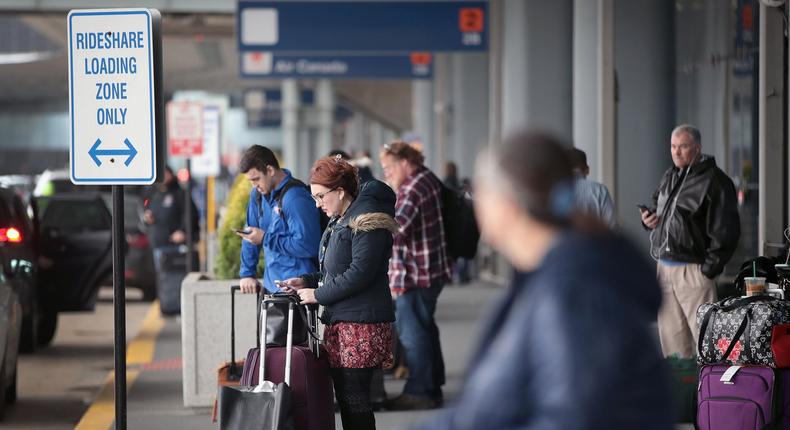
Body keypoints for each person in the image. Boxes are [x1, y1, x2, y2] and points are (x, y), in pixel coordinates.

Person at [408, 131, 672, 430]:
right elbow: (482, 414)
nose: (474, 204)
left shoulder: (573, 293)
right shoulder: (546, 280)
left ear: (507, 204)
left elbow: (574, 419)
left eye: (479, 193)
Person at [279, 155, 398, 430]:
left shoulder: (367, 221)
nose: (318, 204)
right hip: (344, 323)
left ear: (340, 191)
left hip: (361, 326)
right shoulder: (341, 218)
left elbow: (360, 274)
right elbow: (335, 269)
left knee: (355, 403)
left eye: (321, 196)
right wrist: (306, 280)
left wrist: (317, 295)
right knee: (348, 402)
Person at [641, 124, 740, 358]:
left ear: (697, 148)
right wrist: (649, 220)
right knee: (672, 345)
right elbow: (659, 206)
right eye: (673, 147)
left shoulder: (715, 181)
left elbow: (727, 230)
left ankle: (709, 393)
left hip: (694, 271)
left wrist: (709, 269)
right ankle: (682, 394)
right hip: (664, 268)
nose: (676, 152)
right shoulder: (671, 175)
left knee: (705, 343)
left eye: (683, 146)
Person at [379, 141, 453, 410]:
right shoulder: (427, 178)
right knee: (425, 330)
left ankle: (420, 392)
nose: (386, 173)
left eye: (388, 167)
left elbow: (397, 231)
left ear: (404, 163)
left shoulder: (412, 188)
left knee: (413, 335)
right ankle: (432, 386)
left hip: (416, 275)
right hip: (430, 270)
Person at [237, 145, 322, 294]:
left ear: (270, 171)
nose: (254, 185)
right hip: (271, 288)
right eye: (250, 181)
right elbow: (250, 234)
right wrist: (247, 274)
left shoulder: (296, 198)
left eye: (256, 179)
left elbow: (309, 245)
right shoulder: (257, 195)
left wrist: (265, 238)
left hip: (296, 289)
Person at [144, 166, 198, 314]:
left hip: (175, 247)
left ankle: (179, 306)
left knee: (178, 278)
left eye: (165, 174)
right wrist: (147, 218)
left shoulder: (180, 193)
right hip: (158, 245)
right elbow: (145, 211)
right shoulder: (154, 194)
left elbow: (191, 216)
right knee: (162, 278)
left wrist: (184, 232)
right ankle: (166, 304)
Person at [567, 147, 616, 227]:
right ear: (587, 170)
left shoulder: (555, 190)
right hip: (597, 239)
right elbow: (612, 226)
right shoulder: (600, 190)